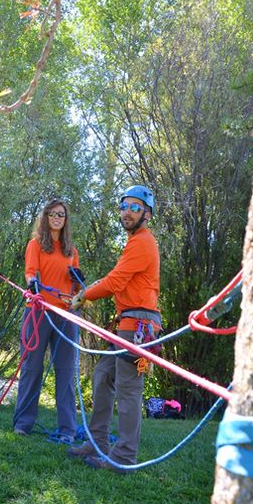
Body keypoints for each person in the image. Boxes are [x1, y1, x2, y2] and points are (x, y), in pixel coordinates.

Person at [69, 185, 160, 471]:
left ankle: (124, 457)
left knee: (129, 388)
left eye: (135, 208)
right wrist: (90, 290)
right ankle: (98, 443)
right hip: (127, 323)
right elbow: (115, 278)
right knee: (102, 376)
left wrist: (84, 295)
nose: (127, 212)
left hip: (138, 327)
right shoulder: (135, 243)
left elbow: (116, 281)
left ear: (146, 214)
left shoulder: (143, 242)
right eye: (124, 206)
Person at [13, 198, 82, 442]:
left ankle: (67, 430)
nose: (56, 217)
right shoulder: (35, 245)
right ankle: (23, 423)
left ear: (65, 220)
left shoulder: (71, 251)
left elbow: (76, 289)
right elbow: (30, 271)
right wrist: (32, 283)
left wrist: (78, 281)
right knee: (32, 367)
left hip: (65, 315)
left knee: (65, 371)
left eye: (61, 214)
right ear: (45, 217)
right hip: (38, 311)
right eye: (52, 213)